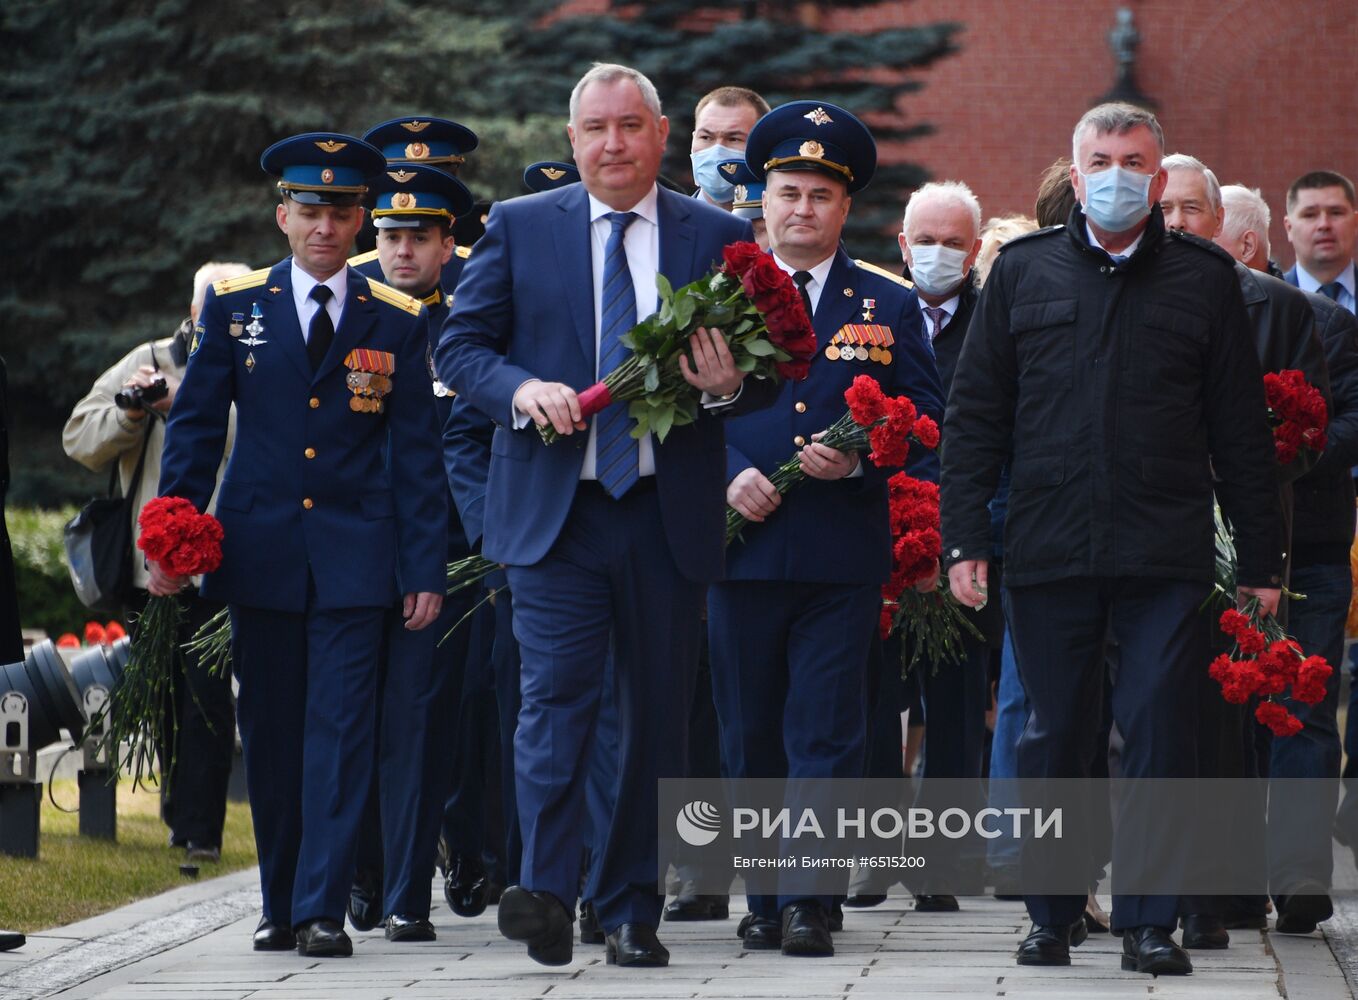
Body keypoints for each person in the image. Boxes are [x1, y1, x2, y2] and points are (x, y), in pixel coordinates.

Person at [436, 63, 767, 969]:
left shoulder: (717, 235)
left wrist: (733, 384)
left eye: (630, 127)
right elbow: (460, 346)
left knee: (655, 715)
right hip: (557, 512)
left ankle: (627, 906)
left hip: (666, 510)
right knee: (553, 700)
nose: (613, 144)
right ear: (571, 137)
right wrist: (520, 388)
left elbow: (772, 363)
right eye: (595, 129)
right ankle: (545, 889)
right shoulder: (516, 226)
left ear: (663, 136)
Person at [943, 103, 1282, 977]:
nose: (1119, 173)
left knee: (1161, 733)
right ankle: (1051, 916)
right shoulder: (1021, 273)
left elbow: (1241, 430)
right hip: (1049, 544)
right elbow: (976, 416)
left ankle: (1148, 921)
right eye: (1102, 157)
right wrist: (962, 539)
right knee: (1053, 735)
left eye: (1135, 159)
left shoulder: (1203, 279)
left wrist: (1261, 560)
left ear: (1160, 178)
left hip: (1163, 547)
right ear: (1075, 166)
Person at [152, 133, 447, 958]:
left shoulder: (394, 318)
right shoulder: (236, 306)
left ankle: (322, 907)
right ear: (283, 215)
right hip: (262, 556)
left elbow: (418, 457)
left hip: (358, 560)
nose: (325, 226)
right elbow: (198, 434)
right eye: (309, 210)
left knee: (342, 735)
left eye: (341, 212)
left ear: (362, 221)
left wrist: (423, 568)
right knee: (276, 739)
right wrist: (173, 534)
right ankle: (277, 903)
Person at [710, 99, 943, 957]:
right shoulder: (717, 295)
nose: (801, 207)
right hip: (739, 545)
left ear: (845, 209)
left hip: (841, 549)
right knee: (748, 730)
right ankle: (764, 894)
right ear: (760, 197)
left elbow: (925, 414)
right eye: (787, 191)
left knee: (827, 730)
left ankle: (810, 898)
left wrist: (866, 460)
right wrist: (725, 472)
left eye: (819, 194)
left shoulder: (885, 301)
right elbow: (669, 414)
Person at [1160, 154, 1330, 948]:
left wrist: (1248, 473)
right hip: (1158, 536)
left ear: (1223, 222)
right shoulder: (1128, 300)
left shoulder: (1281, 308)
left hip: (1248, 539)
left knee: (1241, 715)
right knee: (1168, 714)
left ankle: (1234, 885)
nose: (1178, 223)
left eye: (1193, 209)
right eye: (1168, 209)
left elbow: (1307, 431)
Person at [63, 262, 246, 862]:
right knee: (162, 693)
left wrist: (184, 400)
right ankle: (177, 818)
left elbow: (261, 436)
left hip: (225, 563)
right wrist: (133, 414)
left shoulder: (258, 356)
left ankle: (202, 830)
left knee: (210, 696)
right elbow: (79, 438)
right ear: (193, 311)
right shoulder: (148, 357)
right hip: (153, 565)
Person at [340, 163, 477, 942]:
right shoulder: (352, 313)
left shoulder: (467, 318)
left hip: (446, 555)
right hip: (357, 549)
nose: (400, 250)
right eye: (389, 235)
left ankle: (407, 894)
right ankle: (361, 870)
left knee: (421, 729)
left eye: (416, 237)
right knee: (352, 720)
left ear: (444, 243)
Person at [1221, 183, 1358, 929]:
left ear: (1242, 244)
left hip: (1308, 547)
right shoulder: (1192, 320)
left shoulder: (1327, 325)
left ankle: (1301, 875)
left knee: (1305, 708)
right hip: (1224, 554)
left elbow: (1347, 421)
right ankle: (1237, 881)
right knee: (1232, 714)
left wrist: (1282, 461)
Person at [350, 117, 479, 291]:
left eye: (431, 180)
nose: (412, 182)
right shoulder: (356, 278)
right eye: (398, 175)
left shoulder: (477, 274)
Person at [1283, 171, 1357, 314]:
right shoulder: (1265, 303)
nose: (1324, 224)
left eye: (1336, 212)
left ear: (1355, 223)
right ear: (1289, 228)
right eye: (1310, 215)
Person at [689, 86, 769, 210]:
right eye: (705, 137)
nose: (717, 151)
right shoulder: (665, 225)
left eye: (734, 139)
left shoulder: (780, 227)